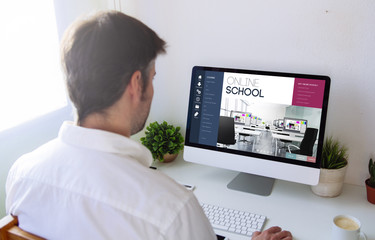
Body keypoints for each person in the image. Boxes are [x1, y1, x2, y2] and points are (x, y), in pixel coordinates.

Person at [6, 10, 292, 240]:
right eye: (152, 77)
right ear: (136, 84)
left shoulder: (22, 173)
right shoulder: (171, 209)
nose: (153, 88)